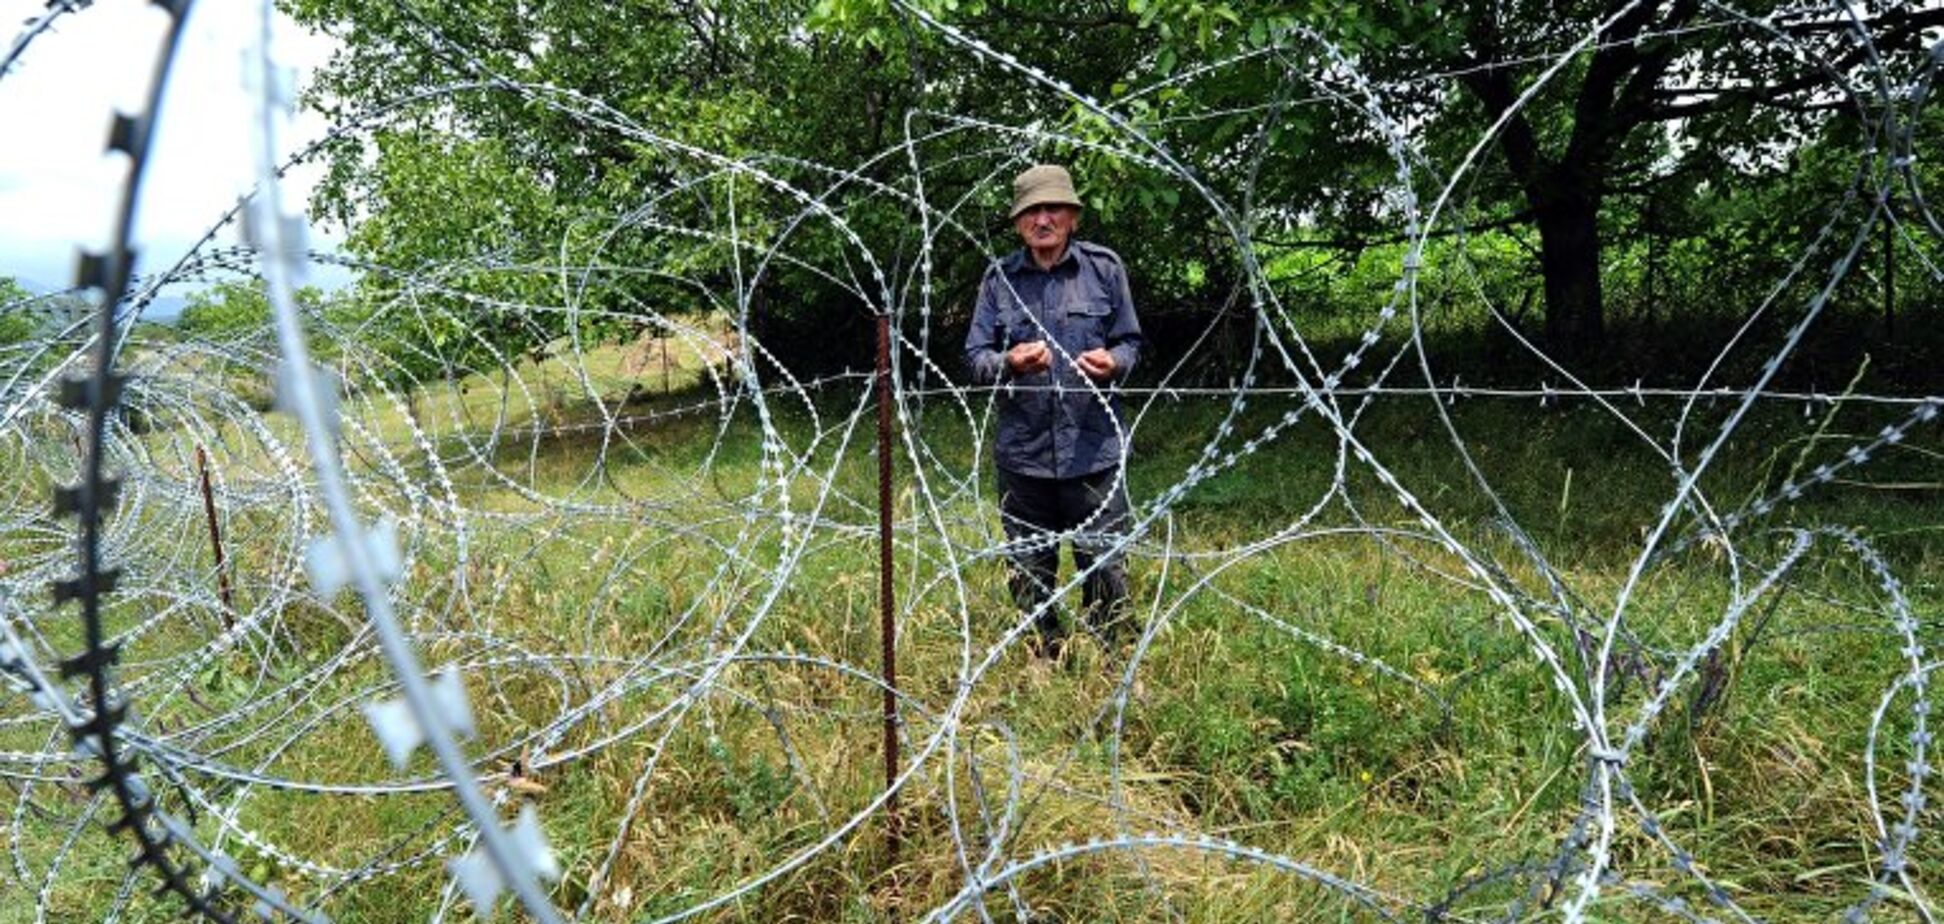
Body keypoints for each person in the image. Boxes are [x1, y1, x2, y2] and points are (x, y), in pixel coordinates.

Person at [965, 164, 1143, 656]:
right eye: (1031, 211)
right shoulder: (999, 278)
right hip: (1025, 455)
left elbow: (1130, 341)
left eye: (1053, 209)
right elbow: (975, 357)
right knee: (1029, 568)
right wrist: (1009, 362)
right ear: (1019, 222)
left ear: (1073, 217)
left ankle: (1112, 660)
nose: (1043, 219)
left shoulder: (1105, 269)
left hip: (1094, 451)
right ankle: (1045, 657)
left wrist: (1115, 362)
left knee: (1104, 564)